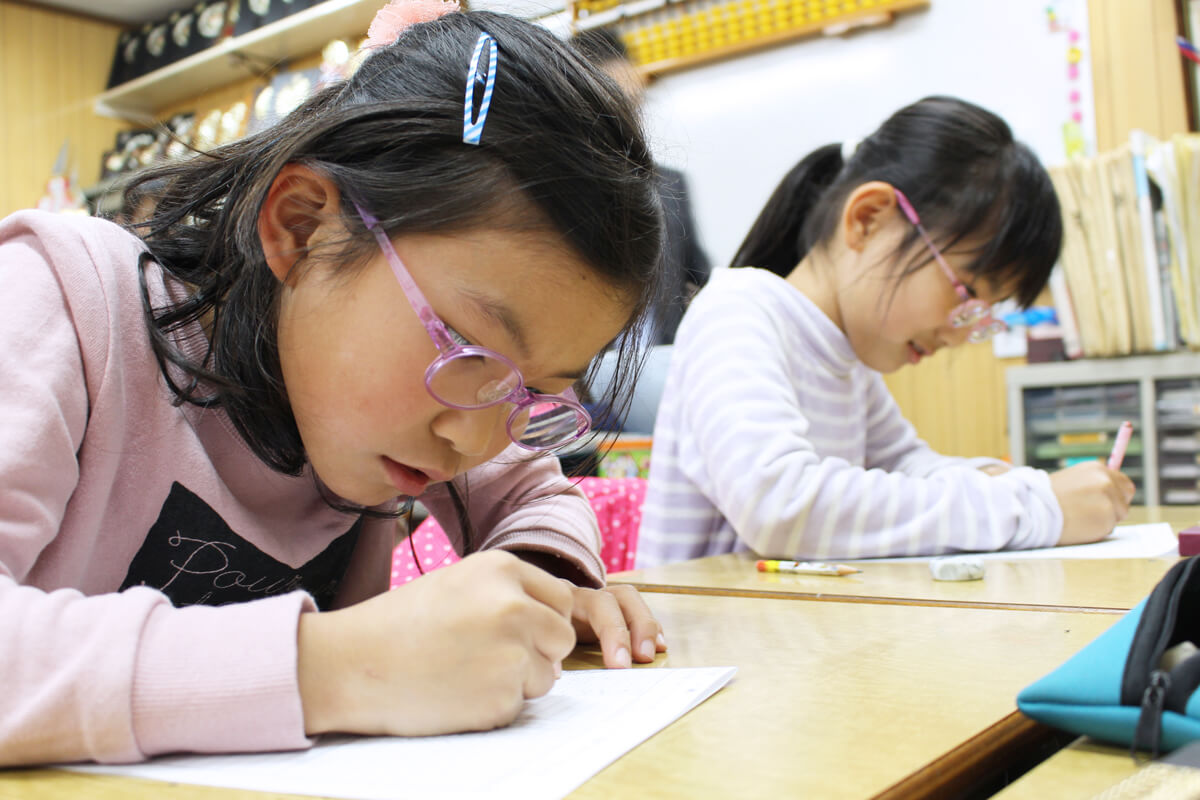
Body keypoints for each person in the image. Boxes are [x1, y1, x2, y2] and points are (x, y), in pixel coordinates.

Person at [0, 0, 668, 767]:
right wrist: (338, 666)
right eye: (468, 349)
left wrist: (536, 592)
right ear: (303, 228)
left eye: (532, 393)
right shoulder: (60, 303)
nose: (474, 439)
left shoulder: (434, 405)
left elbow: (534, 495)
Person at [636, 95, 1136, 567]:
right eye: (966, 294)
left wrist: (1015, 483)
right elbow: (780, 507)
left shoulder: (846, 356)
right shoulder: (737, 312)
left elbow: (906, 464)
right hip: (701, 626)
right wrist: (1032, 508)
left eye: (983, 316)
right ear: (869, 219)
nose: (960, 336)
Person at [570, 27, 711, 346]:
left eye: (635, 105)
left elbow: (698, 278)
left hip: (663, 363)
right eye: (615, 107)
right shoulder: (552, 197)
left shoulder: (671, 185)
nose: (631, 123)